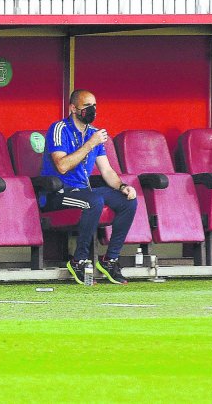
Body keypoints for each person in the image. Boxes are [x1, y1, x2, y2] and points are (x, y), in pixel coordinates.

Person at [40, 89, 138, 285]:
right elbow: (62, 166)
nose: (92, 110)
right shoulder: (59, 129)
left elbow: (107, 170)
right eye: (87, 107)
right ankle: (79, 260)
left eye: (94, 106)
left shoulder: (95, 133)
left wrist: (122, 186)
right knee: (95, 201)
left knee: (128, 201)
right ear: (73, 108)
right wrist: (90, 144)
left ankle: (110, 260)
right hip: (58, 193)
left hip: (85, 192)